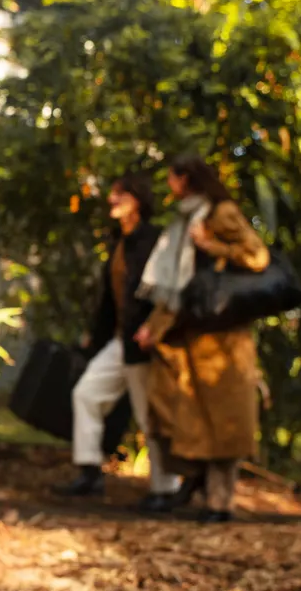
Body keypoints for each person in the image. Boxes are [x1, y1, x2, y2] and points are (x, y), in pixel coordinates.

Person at [134, 154, 270, 523]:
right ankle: (194, 482)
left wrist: (211, 245)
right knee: (176, 414)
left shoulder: (220, 213)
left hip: (223, 336)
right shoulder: (184, 217)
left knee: (223, 424)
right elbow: (176, 285)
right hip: (190, 334)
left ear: (186, 179)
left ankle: (220, 503)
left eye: (172, 178)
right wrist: (154, 325)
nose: (168, 185)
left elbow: (257, 257)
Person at [60, 173, 182, 510]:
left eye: (120, 194)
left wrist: (154, 329)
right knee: (86, 394)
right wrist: (94, 337)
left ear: (137, 200)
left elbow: (165, 292)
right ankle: (89, 472)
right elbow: (110, 300)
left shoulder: (154, 240)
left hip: (145, 342)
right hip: (120, 340)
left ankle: (165, 488)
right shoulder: (119, 242)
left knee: (149, 416)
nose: (112, 200)